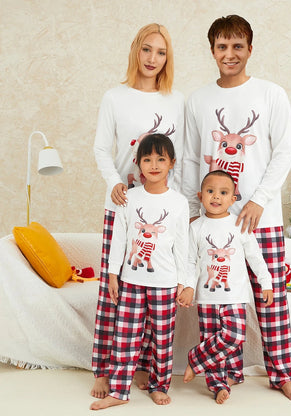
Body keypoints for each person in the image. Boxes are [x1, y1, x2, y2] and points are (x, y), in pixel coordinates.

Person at [182, 15, 291, 401]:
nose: (230, 54)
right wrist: (192, 210)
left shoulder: (271, 94)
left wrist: (257, 199)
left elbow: (284, 150)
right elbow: (189, 158)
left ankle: (282, 374)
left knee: (271, 300)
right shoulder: (198, 99)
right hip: (213, 222)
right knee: (220, 304)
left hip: (260, 218)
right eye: (222, 46)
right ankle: (224, 370)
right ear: (212, 51)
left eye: (238, 46)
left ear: (250, 49)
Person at [91, 23, 185, 399]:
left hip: (160, 209)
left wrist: (187, 208)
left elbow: (186, 153)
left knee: (153, 293)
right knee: (115, 294)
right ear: (136, 51)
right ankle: (103, 368)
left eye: (160, 53)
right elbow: (101, 148)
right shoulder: (115, 97)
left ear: (167, 58)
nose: (152, 59)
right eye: (147, 50)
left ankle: (145, 368)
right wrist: (114, 180)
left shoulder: (176, 100)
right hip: (123, 204)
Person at [90, 134, 189, 410]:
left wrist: (185, 282)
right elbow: (118, 240)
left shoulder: (179, 202)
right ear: (138, 164)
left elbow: (182, 247)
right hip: (131, 281)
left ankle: (159, 386)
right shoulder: (128, 198)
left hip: (165, 283)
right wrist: (112, 274)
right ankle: (119, 390)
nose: (153, 164)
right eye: (147, 159)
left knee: (162, 338)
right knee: (125, 337)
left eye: (160, 159)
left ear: (172, 163)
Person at [177, 170, 273, 404]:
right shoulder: (196, 227)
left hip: (236, 296)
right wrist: (188, 286)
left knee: (233, 336)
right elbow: (190, 261)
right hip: (207, 297)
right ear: (200, 196)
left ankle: (195, 358)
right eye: (210, 191)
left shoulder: (239, 225)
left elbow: (255, 257)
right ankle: (218, 385)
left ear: (233, 198)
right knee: (212, 340)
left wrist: (266, 281)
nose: (216, 197)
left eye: (223, 192)